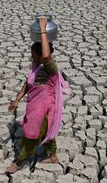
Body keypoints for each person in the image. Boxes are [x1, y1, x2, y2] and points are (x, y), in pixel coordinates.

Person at [6, 16, 69, 174]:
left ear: (42, 57)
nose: (31, 58)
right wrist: (17, 100)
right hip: (35, 107)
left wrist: (42, 30)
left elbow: (47, 56)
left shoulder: (50, 68)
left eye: (34, 56)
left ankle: (19, 162)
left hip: (44, 109)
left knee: (31, 135)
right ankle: (53, 156)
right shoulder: (36, 67)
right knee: (47, 132)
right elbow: (28, 84)